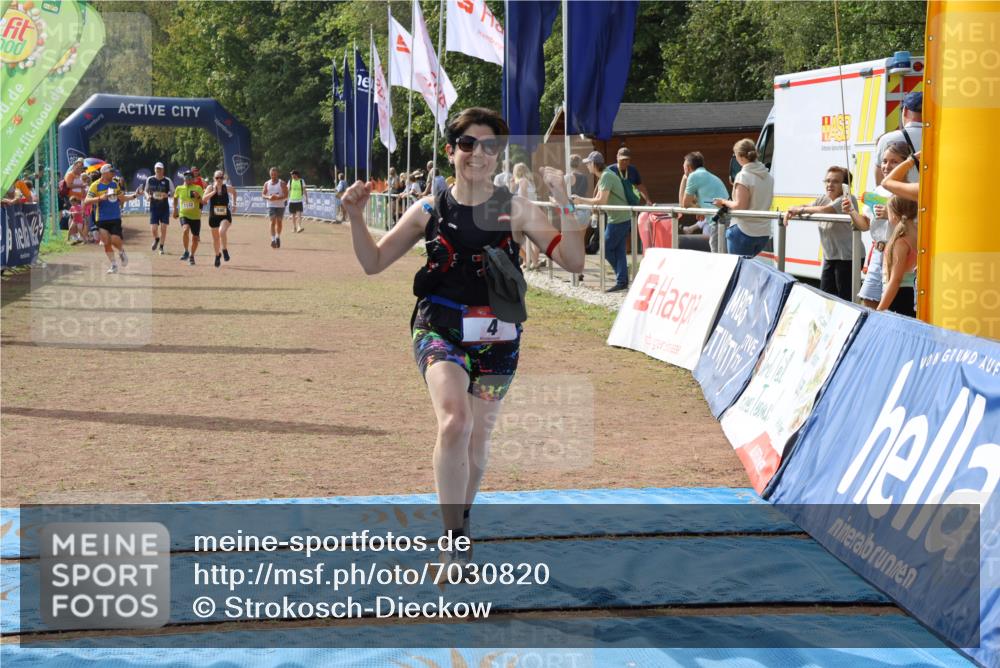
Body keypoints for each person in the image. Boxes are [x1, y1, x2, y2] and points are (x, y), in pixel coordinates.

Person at [341, 107, 584, 566]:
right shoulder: (429, 209)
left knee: (477, 439)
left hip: (498, 340)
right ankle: (454, 541)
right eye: (468, 144)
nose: (478, 154)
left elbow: (573, 260)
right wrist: (355, 216)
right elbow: (373, 263)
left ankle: (462, 520)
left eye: (489, 146)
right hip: (439, 327)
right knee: (455, 421)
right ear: (451, 151)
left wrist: (564, 199)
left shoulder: (515, 208)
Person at [784, 166, 865, 301]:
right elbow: (808, 206)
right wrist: (791, 210)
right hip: (831, 256)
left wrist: (800, 209)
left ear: (845, 185)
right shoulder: (823, 198)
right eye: (827, 181)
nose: (829, 185)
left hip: (849, 257)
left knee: (845, 300)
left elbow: (825, 210)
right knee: (825, 297)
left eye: (835, 181)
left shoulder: (847, 199)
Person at [853, 141, 910, 308]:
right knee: (868, 301)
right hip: (878, 254)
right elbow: (864, 225)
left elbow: (916, 227)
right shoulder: (877, 192)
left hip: (898, 255)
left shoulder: (910, 190)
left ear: (905, 164)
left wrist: (890, 214)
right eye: (884, 161)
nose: (887, 166)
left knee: (893, 305)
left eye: (894, 161)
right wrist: (851, 211)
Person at [572, 151, 632, 292]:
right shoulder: (604, 175)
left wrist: (580, 199)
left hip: (618, 219)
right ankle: (622, 279)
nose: (587, 166)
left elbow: (601, 201)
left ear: (594, 164)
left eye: (588, 163)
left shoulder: (606, 176)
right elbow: (598, 202)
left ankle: (621, 275)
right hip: (620, 217)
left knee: (605, 249)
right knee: (619, 250)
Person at [714, 138, 774, 257]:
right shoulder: (768, 176)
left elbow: (740, 206)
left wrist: (723, 202)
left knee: (736, 270)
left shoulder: (743, 176)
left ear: (741, 157)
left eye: (735, 156)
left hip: (744, 230)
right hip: (763, 232)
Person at [84, 164, 139, 274]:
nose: (113, 173)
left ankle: (121, 252)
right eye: (111, 172)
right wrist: (100, 198)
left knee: (114, 239)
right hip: (102, 218)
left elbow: (121, 198)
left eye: (113, 172)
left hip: (115, 217)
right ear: (104, 173)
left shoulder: (115, 184)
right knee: (106, 242)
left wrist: (134, 195)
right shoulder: (95, 185)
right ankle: (113, 264)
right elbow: (86, 201)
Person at [678, 152, 729, 252]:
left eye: (683, 166)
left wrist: (684, 177)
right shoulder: (707, 176)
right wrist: (699, 209)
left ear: (688, 167)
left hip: (720, 219)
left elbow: (684, 203)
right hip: (726, 218)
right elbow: (699, 201)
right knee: (722, 254)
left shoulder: (694, 177)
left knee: (718, 255)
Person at [877, 195, 918, 316]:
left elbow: (896, 280)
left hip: (898, 296)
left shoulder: (901, 241)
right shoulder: (917, 234)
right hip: (910, 293)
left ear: (894, 215)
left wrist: (879, 310)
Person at [875, 92, 922, 186]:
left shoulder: (887, 139)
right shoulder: (943, 140)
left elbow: (880, 183)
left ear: (905, 110)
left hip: (898, 199)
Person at [203, 170, 237, 267]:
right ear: (214, 178)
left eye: (221, 178)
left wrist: (234, 204)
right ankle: (217, 255)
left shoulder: (226, 188)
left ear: (223, 179)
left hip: (225, 215)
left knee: (221, 232)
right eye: (217, 178)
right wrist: (213, 192)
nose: (219, 180)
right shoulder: (210, 187)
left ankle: (224, 250)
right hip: (213, 216)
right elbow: (204, 199)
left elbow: (234, 192)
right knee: (216, 239)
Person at [511, 163, 542, 269]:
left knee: (520, 239)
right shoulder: (530, 182)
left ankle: (533, 261)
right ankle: (533, 261)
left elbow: (523, 198)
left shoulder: (522, 181)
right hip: (533, 212)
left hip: (525, 214)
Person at [173, 171, 204, 265]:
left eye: (190, 178)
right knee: (185, 229)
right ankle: (186, 251)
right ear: (184, 178)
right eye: (186, 178)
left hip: (195, 216)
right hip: (184, 215)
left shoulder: (197, 188)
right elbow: (175, 198)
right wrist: (175, 210)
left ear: (193, 179)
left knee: (195, 238)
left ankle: (192, 256)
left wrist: (198, 196)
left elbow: (202, 202)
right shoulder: (179, 188)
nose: (188, 180)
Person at [145, 162, 173, 254]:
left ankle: (161, 247)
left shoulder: (167, 180)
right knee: (154, 228)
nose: (158, 170)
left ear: (163, 170)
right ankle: (157, 239)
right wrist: (147, 196)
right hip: (154, 207)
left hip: (164, 207)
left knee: (164, 227)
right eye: (157, 169)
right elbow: (146, 191)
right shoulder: (150, 179)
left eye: (160, 169)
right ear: (154, 170)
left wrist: (167, 194)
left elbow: (173, 192)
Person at [262, 167, 288, 247]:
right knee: (273, 221)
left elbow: (286, 195)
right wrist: (269, 197)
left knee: (279, 222)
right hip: (271, 205)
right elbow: (263, 194)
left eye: (274, 174)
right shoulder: (267, 184)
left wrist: (277, 198)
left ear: (277, 174)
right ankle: (273, 240)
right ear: (270, 174)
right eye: (272, 174)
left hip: (280, 205)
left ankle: (277, 237)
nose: (273, 176)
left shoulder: (282, 183)